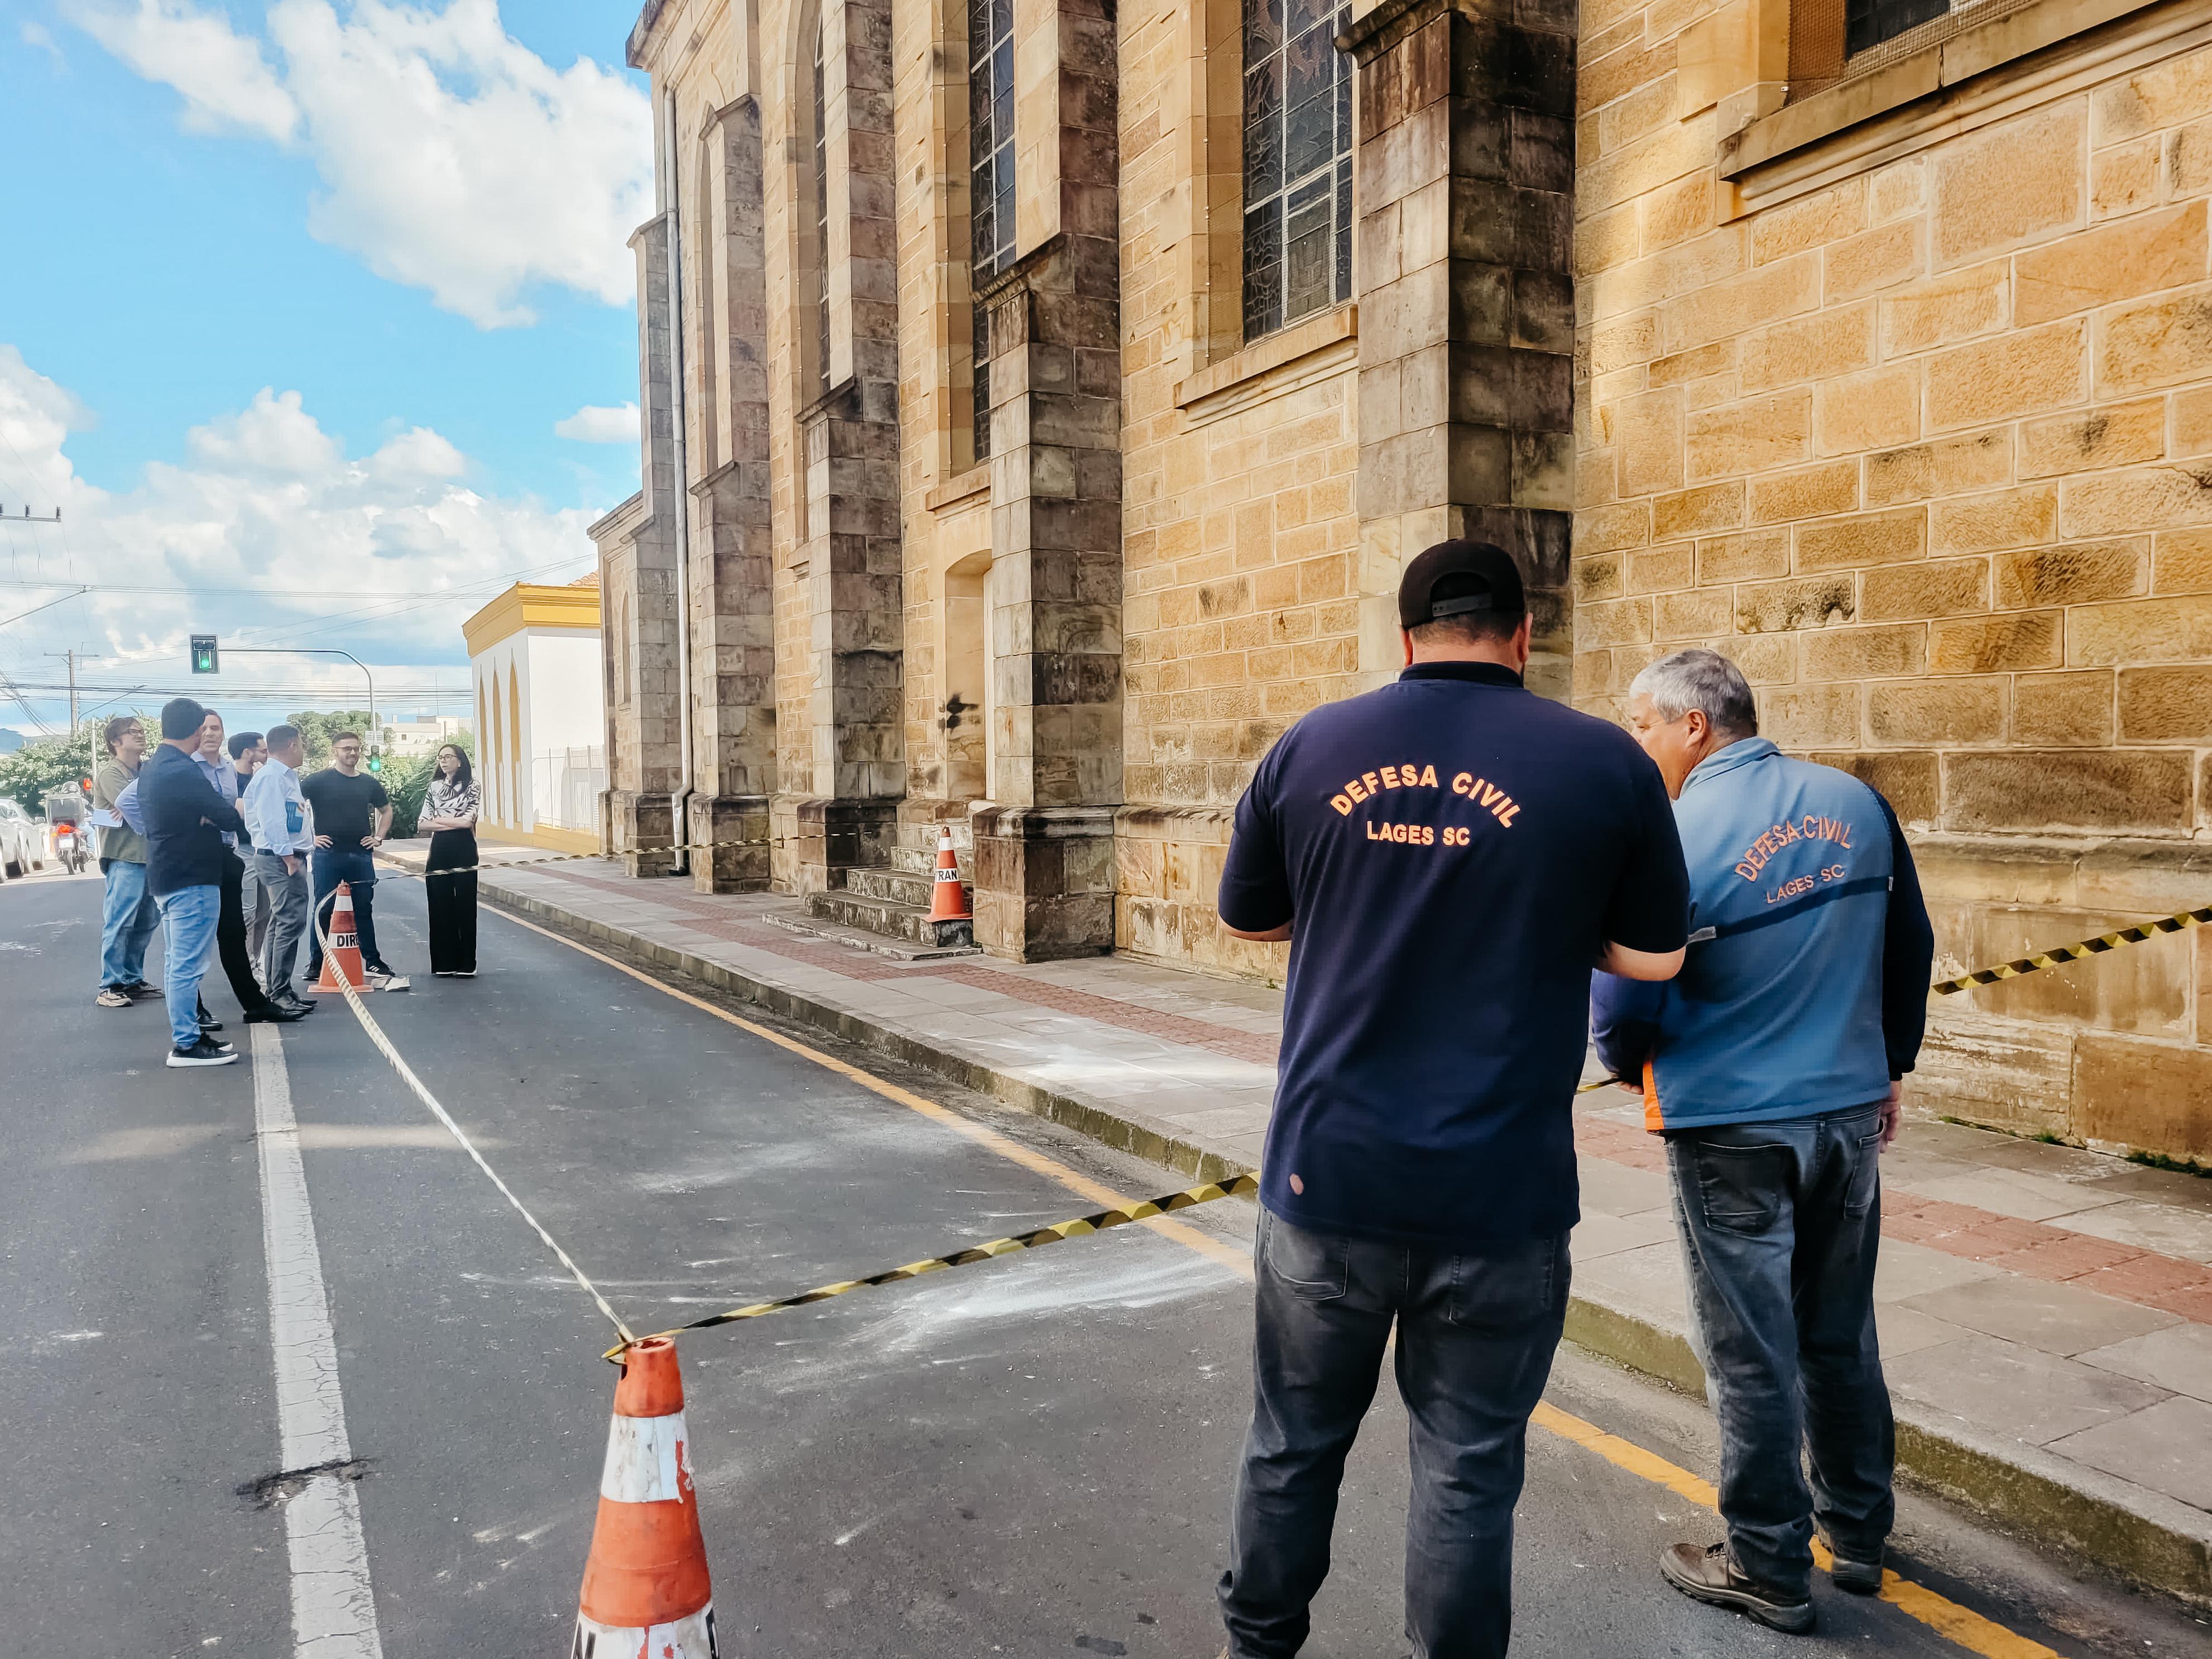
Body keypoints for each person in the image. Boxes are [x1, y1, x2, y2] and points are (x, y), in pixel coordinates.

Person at [1211, 540, 1691, 1659]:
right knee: (1468, 1470)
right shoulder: (1602, 763)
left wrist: (1358, 896)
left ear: (1405, 638)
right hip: (1499, 1193)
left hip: (1324, 1175)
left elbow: (1248, 917)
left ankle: (1255, 1647)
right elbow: (1653, 960)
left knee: (1292, 1444)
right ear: (1524, 638)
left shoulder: (1313, 744)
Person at [1589, 649, 1935, 1635]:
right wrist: (1889, 1061)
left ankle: (1767, 1559)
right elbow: (1906, 944)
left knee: (1748, 1347)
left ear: (1695, 725)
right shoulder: (1855, 803)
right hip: (1846, 1113)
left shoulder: (1668, 829)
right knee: (1837, 1328)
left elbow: (1623, 989)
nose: (1635, 741)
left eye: (1642, 723)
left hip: (1727, 1118)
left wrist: (1622, 1058)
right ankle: (1858, 1533)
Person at [137, 698, 240, 1068]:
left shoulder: (152, 767)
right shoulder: (183, 770)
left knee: (177, 963)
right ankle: (186, 1044)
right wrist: (212, 817)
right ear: (197, 731)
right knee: (186, 966)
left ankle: (192, 1034)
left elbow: (136, 808)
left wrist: (171, 825)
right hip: (192, 876)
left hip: (168, 872)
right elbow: (227, 816)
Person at [191, 713, 304, 1028]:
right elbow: (129, 802)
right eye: (204, 729)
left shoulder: (227, 770)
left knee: (238, 930)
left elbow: (242, 810)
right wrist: (171, 834)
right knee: (194, 940)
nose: (211, 734)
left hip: (232, 855)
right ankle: (192, 1012)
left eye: (217, 728)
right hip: (194, 859)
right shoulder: (183, 767)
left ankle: (256, 1001)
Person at [302, 731, 409, 991]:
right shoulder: (317, 781)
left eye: (356, 749)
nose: (352, 753)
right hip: (329, 854)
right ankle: (317, 963)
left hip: (361, 855)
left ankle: (372, 962)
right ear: (334, 751)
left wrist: (379, 838)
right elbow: (293, 805)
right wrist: (310, 837)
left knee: (363, 908)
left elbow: (386, 810)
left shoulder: (369, 783)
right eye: (346, 749)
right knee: (323, 909)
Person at [90, 715, 161, 1009]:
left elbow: (152, 802)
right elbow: (135, 803)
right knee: (120, 921)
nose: (140, 735)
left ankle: (133, 978)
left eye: (141, 731)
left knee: (147, 921)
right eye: (132, 732)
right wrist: (143, 805)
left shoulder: (147, 769)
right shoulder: (111, 773)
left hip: (151, 856)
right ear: (115, 742)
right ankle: (110, 985)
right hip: (124, 857)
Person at [244, 724, 316, 1009]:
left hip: (285, 856)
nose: (303, 750)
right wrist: (289, 858)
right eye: (300, 744)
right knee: (289, 922)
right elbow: (273, 821)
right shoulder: (272, 777)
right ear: (291, 746)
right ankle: (280, 993)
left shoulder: (285, 777)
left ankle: (280, 988)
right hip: (280, 859)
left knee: (282, 922)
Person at [415, 742, 481, 976]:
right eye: (440, 757)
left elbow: (467, 822)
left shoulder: (473, 786)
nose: (443, 761)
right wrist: (450, 822)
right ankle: (444, 963)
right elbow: (422, 824)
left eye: (449, 757)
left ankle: (466, 964)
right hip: (439, 849)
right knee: (439, 902)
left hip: (464, 847)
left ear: (460, 761)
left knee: (464, 903)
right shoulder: (434, 788)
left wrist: (440, 822)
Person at [229, 730, 273, 971]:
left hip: (265, 851)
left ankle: (256, 965)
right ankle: (245, 968)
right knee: (247, 912)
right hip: (242, 850)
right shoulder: (230, 778)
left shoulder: (264, 777)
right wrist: (258, 784)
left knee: (265, 913)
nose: (268, 755)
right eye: (263, 751)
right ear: (248, 753)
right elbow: (244, 813)